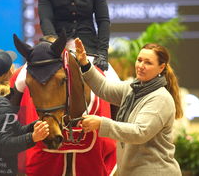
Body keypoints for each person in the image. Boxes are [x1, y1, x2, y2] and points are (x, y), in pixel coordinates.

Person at [75, 38, 183, 176]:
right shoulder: (133, 89)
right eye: (139, 60)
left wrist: (102, 123)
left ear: (161, 67)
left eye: (148, 62)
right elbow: (103, 88)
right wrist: (84, 63)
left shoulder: (160, 99)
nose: (141, 65)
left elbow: (140, 132)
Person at [0, 49, 49, 176]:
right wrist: (33, 137)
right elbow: (5, 145)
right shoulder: (2, 104)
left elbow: (13, 129)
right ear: (11, 71)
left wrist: (36, 124)